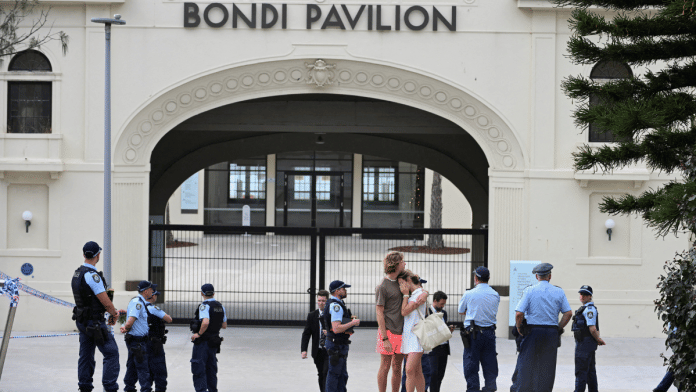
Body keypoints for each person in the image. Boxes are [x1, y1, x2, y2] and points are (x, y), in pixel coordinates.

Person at [511, 262, 572, 392]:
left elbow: (519, 314)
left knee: (526, 363)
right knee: (547, 366)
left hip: (532, 332)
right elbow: (568, 313)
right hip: (550, 332)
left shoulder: (529, 290)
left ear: (536, 277)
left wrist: (519, 328)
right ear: (550, 276)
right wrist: (558, 328)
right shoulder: (559, 292)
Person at [71, 241, 122, 392]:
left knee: (86, 355)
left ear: (83, 254)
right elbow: (105, 301)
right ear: (98, 255)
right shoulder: (92, 276)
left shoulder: (77, 273)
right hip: (95, 323)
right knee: (111, 353)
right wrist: (114, 313)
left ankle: (84, 387)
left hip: (83, 321)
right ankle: (110, 387)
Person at [377, 251, 425, 392]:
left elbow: (418, 287)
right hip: (388, 331)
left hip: (403, 332)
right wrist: (385, 337)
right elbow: (379, 312)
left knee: (397, 367)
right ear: (396, 264)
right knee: (385, 366)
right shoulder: (382, 286)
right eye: (403, 261)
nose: (405, 264)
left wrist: (425, 293)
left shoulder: (404, 279)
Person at [458, 266, 501, 392]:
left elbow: (461, 311)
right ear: (488, 278)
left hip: (473, 334)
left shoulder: (469, 293)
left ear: (475, 278)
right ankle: (490, 387)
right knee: (490, 362)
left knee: (471, 363)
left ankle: (473, 389)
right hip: (489, 332)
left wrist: (472, 311)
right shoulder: (495, 294)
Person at [121, 280, 158, 392]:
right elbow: (131, 320)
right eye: (151, 290)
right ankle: (145, 389)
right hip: (137, 341)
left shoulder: (140, 302)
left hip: (137, 341)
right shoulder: (137, 303)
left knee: (132, 366)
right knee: (143, 368)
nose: (152, 292)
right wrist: (125, 327)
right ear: (146, 291)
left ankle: (129, 388)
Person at [324, 280, 361, 392]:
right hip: (337, 346)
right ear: (337, 291)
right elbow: (336, 328)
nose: (345, 291)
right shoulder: (336, 306)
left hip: (338, 345)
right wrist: (353, 323)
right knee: (335, 376)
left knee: (341, 375)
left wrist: (348, 320)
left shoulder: (335, 303)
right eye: (343, 289)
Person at [190, 283, 227, 392]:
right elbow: (224, 325)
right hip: (214, 342)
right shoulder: (220, 306)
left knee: (199, 369)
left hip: (203, 342)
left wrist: (199, 334)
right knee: (211, 370)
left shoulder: (204, 306)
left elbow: (205, 322)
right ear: (213, 293)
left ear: (202, 293)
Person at [571, 285, 606, 392]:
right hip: (587, 344)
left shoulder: (589, 310)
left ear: (590, 296)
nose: (582, 296)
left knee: (581, 372)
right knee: (590, 372)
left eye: (585, 294)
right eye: (581, 294)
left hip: (584, 345)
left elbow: (592, 329)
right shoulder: (585, 309)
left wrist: (598, 339)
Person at [400, 279, 433, 392]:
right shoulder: (415, 295)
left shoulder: (418, 295)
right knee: (417, 371)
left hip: (416, 336)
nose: (401, 286)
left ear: (408, 282)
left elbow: (404, 312)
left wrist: (405, 295)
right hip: (409, 336)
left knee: (409, 370)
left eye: (402, 283)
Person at [302, 289, 331, 392]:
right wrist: (303, 350)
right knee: (321, 374)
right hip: (317, 350)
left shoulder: (332, 315)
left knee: (326, 372)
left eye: (323, 301)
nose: (321, 303)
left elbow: (339, 330)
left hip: (329, 349)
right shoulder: (312, 316)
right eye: (319, 300)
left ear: (327, 301)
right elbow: (306, 333)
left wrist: (330, 333)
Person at [426, 291, 455, 392]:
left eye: (444, 304)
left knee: (440, 375)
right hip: (433, 348)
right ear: (435, 301)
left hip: (443, 348)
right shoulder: (427, 312)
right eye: (441, 304)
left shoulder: (444, 313)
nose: (443, 306)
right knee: (432, 374)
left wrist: (448, 330)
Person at [146, 290, 173, 392]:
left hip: (142, 342)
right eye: (155, 295)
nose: (156, 297)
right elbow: (169, 319)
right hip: (155, 343)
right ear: (152, 297)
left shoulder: (137, 306)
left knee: (146, 369)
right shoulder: (153, 309)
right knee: (159, 369)